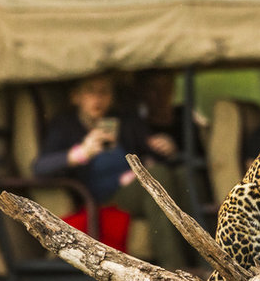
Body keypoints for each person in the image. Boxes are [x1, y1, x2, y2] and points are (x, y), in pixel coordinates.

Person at [32, 72, 185, 264]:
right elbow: (40, 167)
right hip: (102, 197)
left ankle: (207, 262)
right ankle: (175, 267)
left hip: (135, 185)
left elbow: (150, 153)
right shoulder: (66, 126)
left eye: (104, 93)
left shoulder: (124, 121)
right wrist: (81, 153)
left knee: (182, 176)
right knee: (157, 177)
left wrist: (167, 149)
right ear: (76, 97)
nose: (98, 99)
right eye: (90, 92)